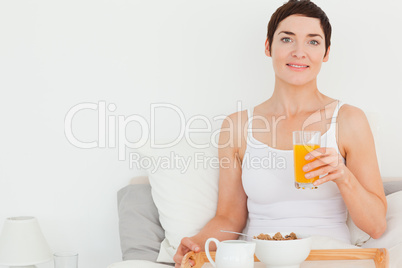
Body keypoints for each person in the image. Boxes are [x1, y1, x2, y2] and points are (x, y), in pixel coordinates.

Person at [173, 0, 387, 266]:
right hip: (262, 258)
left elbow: (376, 226)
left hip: (328, 258)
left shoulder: (348, 120)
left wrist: (343, 177)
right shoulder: (237, 126)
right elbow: (229, 217)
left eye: (313, 42)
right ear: (268, 47)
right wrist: (196, 243)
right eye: (287, 39)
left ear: (326, 52)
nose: (299, 52)